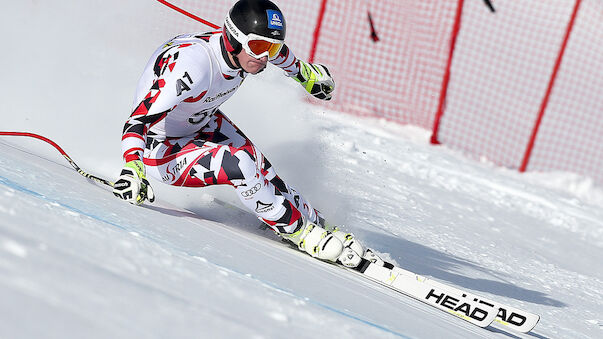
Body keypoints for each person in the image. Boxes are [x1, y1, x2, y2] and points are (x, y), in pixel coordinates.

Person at [112, 0, 380, 268]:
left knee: (260, 165)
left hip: (200, 121)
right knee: (240, 164)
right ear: (234, 40)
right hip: (157, 148)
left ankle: (314, 221)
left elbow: (279, 54)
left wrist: (304, 74)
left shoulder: (249, 50)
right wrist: (133, 167)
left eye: (270, 47)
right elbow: (138, 120)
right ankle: (298, 231)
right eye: (260, 47)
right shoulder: (193, 66)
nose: (264, 57)